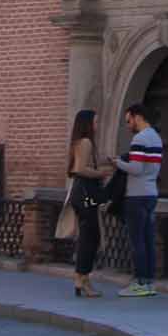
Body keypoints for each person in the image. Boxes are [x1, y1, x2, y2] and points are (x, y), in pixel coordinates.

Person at [56, 108, 109, 297]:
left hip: (80, 192)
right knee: (90, 237)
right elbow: (81, 169)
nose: (97, 126)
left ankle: (83, 278)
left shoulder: (77, 142)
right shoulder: (86, 142)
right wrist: (101, 173)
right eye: (95, 122)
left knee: (88, 236)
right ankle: (81, 278)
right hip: (86, 192)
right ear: (87, 124)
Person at [117, 101, 164, 296]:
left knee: (137, 241)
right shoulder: (156, 138)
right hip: (151, 193)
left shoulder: (139, 139)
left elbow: (136, 169)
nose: (128, 126)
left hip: (136, 196)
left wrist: (117, 162)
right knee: (148, 240)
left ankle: (140, 283)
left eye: (129, 121)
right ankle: (149, 282)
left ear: (138, 117)